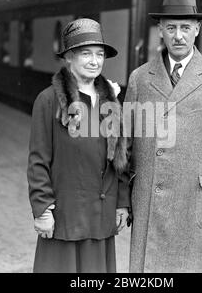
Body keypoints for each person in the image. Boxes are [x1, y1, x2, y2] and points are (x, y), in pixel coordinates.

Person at [124, 0, 202, 272]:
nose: (178, 36)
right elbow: (124, 144)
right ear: (160, 31)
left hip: (196, 200)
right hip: (150, 197)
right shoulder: (140, 78)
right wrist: (121, 199)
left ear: (197, 29)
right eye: (171, 28)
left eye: (185, 28)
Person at [27, 18, 130, 273]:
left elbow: (122, 158)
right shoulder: (48, 100)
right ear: (69, 57)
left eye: (99, 54)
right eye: (86, 54)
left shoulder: (112, 102)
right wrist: (42, 209)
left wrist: (122, 203)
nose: (95, 61)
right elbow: (38, 160)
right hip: (65, 218)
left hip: (101, 218)